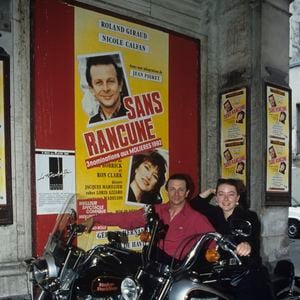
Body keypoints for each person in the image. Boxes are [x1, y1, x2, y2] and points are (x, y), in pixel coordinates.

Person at [83, 173, 216, 263]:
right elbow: (128, 219)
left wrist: (210, 256)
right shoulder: (156, 210)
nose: (176, 194)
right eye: (172, 189)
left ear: (187, 193)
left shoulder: (196, 218)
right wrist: (95, 218)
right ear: (167, 191)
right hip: (152, 261)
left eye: (180, 190)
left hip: (175, 269)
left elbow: (215, 242)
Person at [190, 178, 274, 300]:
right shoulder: (215, 213)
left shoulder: (248, 216)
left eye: (231, 194)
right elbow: (194, 205)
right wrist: (209, 191)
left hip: (245, 269)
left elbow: (252, 237)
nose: (225, 199)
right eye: (221, 194)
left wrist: (246, 245)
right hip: (220, 270)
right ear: (216, 197)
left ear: (237, 198)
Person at [85, 55, 128, 124]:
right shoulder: (92, 122)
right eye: (99, 82)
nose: (106, 89)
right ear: (91, 89)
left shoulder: (134, 114)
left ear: (120, 85)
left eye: (110, 81)